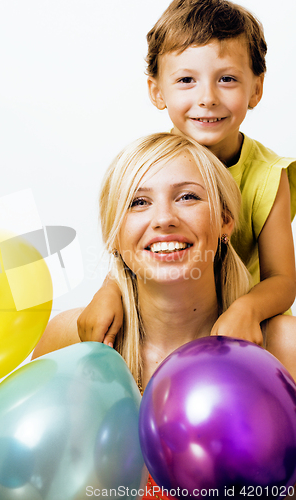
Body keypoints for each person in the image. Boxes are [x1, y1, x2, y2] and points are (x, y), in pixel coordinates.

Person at [33, 133, 295, 499]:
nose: (164, 219)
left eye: (187, 196)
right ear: (114, 235)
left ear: (224, 222)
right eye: (139, 202)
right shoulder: (70, 340)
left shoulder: (283, 347)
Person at [77, 0, 296, 352]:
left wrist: (247, 309)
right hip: (166, 324)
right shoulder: (149, 165)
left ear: (256, 88)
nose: (207, 98)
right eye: (186, 80)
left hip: (241, 330)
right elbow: (132, 246)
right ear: (157, 91)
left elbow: (282, 279)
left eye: (226, 79)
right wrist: (109, 289)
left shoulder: (269, 174)